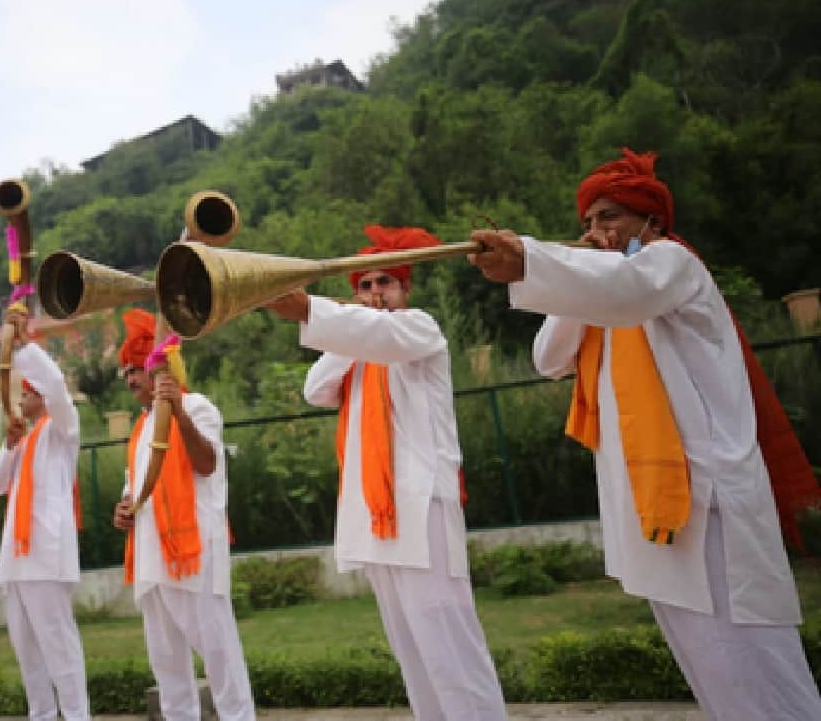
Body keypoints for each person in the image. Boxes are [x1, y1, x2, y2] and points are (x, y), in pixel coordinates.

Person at [468, 148, 821, 720]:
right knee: (706, 660)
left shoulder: (672, 265)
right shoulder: (608, 294)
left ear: (650, 221)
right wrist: (567, 274)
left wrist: (536, 258)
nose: (595, 231)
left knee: (754, 658)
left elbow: (626, 292)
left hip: (708, 500)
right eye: (587, 222)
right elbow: (547, 356)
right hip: (648, 506)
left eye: (609, 218)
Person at [264, 225, 508, 721]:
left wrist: (330, 316)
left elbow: (384, 336)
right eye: (366, 286)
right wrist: (349, 325)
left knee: (449, 645)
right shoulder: (355, 352)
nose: (375, 294)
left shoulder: (420, 329)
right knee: (413, 653)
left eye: (385, 284)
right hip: (374, 516)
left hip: (421, 508)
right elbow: (316, 387)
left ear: (405, 290)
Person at [111, 308, 256, 721]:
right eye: (126, 374)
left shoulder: (198, 406)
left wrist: (178, 413)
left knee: (218, 654)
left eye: (136, 369)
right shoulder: (140, 428)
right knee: (168, 665)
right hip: (151, 557)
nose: (131, 380)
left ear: (161, 371)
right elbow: (135, 485)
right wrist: (123, 509)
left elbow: (207, 463)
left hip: (194, 554)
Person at [0, 308, 90, 721]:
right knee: (28, 652)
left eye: (27, 393)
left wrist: (22, 345)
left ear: (41, 397)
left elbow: (55, 384)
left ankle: (77, 716)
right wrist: (9, 444)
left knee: (58, 646)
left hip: (46, 555)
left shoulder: (64, 429)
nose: (23, 399)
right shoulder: (27, 440)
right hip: (16, 559)